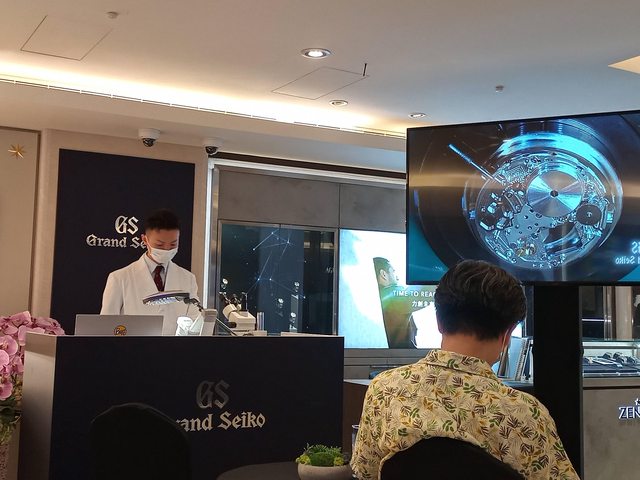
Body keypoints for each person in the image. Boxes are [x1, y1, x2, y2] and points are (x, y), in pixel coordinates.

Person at [352, 260, 579, 479]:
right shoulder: (525, 414)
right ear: (508, 334)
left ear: (439, 321)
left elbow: (364, 472)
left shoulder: (385, 390)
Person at [101, 209, 199, 335]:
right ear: (145, 240)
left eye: (173, 244)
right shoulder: (119, 278)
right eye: (160, 245)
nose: (167, 249)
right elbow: (106, 327)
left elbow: (195, 323)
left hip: (176, 346)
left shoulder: (188, 278)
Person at [373, 257, 421, 348]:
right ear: (383, 274)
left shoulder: (376, 297)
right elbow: (422, 294)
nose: (398, 277)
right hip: (402, 354)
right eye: (393, 271)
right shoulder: (392, 294)